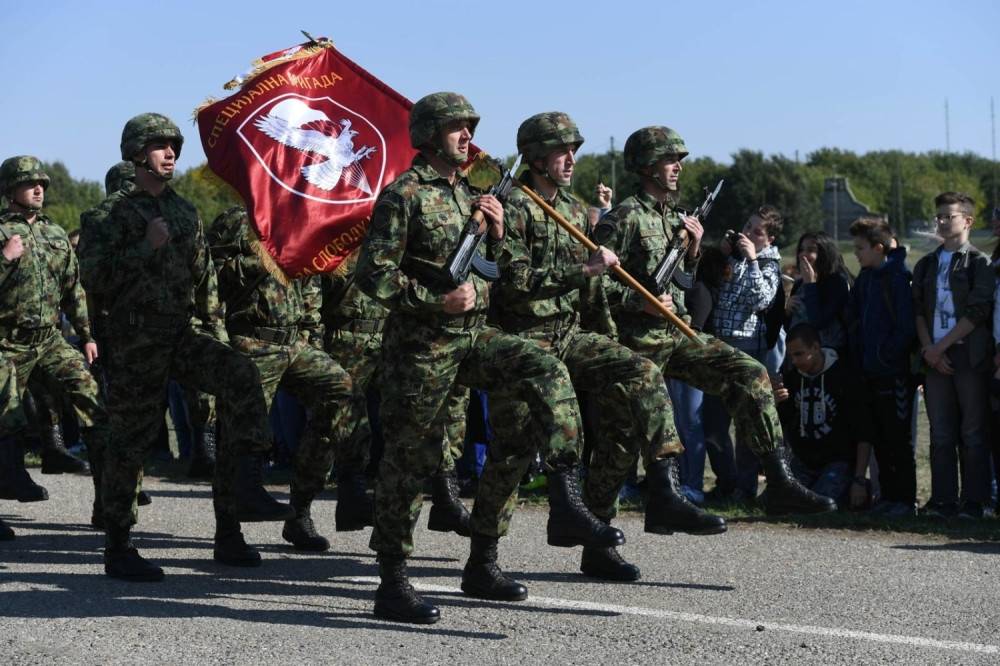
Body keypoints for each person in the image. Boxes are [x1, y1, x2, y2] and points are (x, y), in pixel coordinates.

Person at [355, 93, 622, 624]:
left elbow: (495, 272)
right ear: (430, 134)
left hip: (474, 337)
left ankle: (566, 496)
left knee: (543, 367)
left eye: (469, 127)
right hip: (422, 349)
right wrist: (436, 301)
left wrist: (495, 236)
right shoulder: (403, 195)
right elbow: (374, 275)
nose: (466, 136)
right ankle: (393, 581)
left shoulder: (470, 197)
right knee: (410, 460)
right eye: (456, 128)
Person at [482, 112, 724, 585]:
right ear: (534, 157)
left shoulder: (573, 210)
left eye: (574, 148)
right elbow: (513, 286)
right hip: (522, 341)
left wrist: (610, 339)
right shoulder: (512, 208)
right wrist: (586, 271)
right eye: (560, 150)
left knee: (640, 372)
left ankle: (665, 489)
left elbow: (592, 299)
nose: (571, 158)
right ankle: (483, 560)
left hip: (570, 336)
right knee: (511, 452)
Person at [77, 113, 294, 582]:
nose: (171, 152)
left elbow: (204, 282)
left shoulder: (184, 211)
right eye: (159, 145)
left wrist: (213, 330)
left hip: (180, 333)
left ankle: (237, 511)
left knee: (241, 374)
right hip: (135, 339)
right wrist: (145, 249)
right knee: (130, 439)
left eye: (173, 144)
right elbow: (92, 277)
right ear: (136, 153)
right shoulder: (107, 215)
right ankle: (118, 544)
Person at [591, 125, 835, 518]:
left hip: (677, 335)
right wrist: (641, 302)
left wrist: (691, 250)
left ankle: (779, 481)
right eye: (670, 160)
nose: (678, 168)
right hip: (635, 344)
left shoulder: (676, 218)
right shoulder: (623, 218)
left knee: (750, 374)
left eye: (678, 161)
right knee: (619, 443)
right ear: (646, 166)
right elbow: (593, 288)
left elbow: (683, 281)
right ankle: (602, 531)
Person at [208, 205, 373, 560]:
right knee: (238, 435)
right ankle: (228, 533)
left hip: (296, 342)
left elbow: (311, 283)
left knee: (344, 392)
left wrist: (312, 335)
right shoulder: (236, 218)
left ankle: (349, 489)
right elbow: (211, 276)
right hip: (252, 340)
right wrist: (262, 259)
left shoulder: (301, 218)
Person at [321, 250, 472, 537]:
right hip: (347, 338)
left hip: (395, 336)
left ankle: (445, 496)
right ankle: (311, 506)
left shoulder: (399, 234)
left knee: (427, 411)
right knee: (334, 424)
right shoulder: (342, 234)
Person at [0, 156, 111, 505]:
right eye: (29, 183)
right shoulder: (1, 232)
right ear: (9, 190)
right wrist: (4, 257)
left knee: (91, 396)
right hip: (6, 343)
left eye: (42, 184)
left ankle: (111, 494)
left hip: (50, 340)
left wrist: (87, 336)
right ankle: (11, 482)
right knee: (8, 416)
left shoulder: (55, 233)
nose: (38, 189)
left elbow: (72, 289)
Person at [912, 192, 995, 519]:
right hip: (933, 357)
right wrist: (929, 351)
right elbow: (917, 310)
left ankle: (975, 502)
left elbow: (978, 312)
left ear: (968, 221)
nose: (942, 222)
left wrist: (941, 347)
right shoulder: (926, 264)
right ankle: (943, 501)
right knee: (941, 433)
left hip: (967, 358)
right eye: (940, 217)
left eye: (949, 216)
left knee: (973, 433)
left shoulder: (978, 263)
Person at [700, 203, 785, 500]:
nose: (748, 233)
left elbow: (761, 301)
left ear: (769, 239)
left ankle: (745, 488)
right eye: (747, 226)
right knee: (713, 421)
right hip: (718, 344)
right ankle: (727, 481)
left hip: (748, 348)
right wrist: (722, 251)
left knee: (746, 423)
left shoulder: (770, 265)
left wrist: (751, 261)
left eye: (757, 231)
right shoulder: (733, 254)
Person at [848, 217, 918, 518]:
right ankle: (887, 497)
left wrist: (885, 357)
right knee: (878, 438)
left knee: (897, 440)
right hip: (869, 373)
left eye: (861, 247)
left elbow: (906, 328)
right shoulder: (866, 277)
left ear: (879, 248)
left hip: (893, 374)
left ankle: (904, 500)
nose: (856, 253)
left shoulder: (898, 278)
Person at [774, 324, 872, 509]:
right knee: (777, 503)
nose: (794, 361)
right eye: (791, 356)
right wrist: (773, 404)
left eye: (799, 354)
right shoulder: (792, 379)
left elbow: (864, 433)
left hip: (838, 462)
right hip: (803, 462)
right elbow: (778, 425)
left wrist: (859, 480)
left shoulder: (846, 377)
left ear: (816, 348)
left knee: (822, 506)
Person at [786, 230, 854, 357]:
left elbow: (819, 322)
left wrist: (810, 285)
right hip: (799, 358)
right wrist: (788, 310)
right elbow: (790, 327)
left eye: (811, 250)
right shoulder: (799, 284)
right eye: (801, 249)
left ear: (824, 254)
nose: (803, 255)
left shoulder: (838, 282)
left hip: (829, 357)